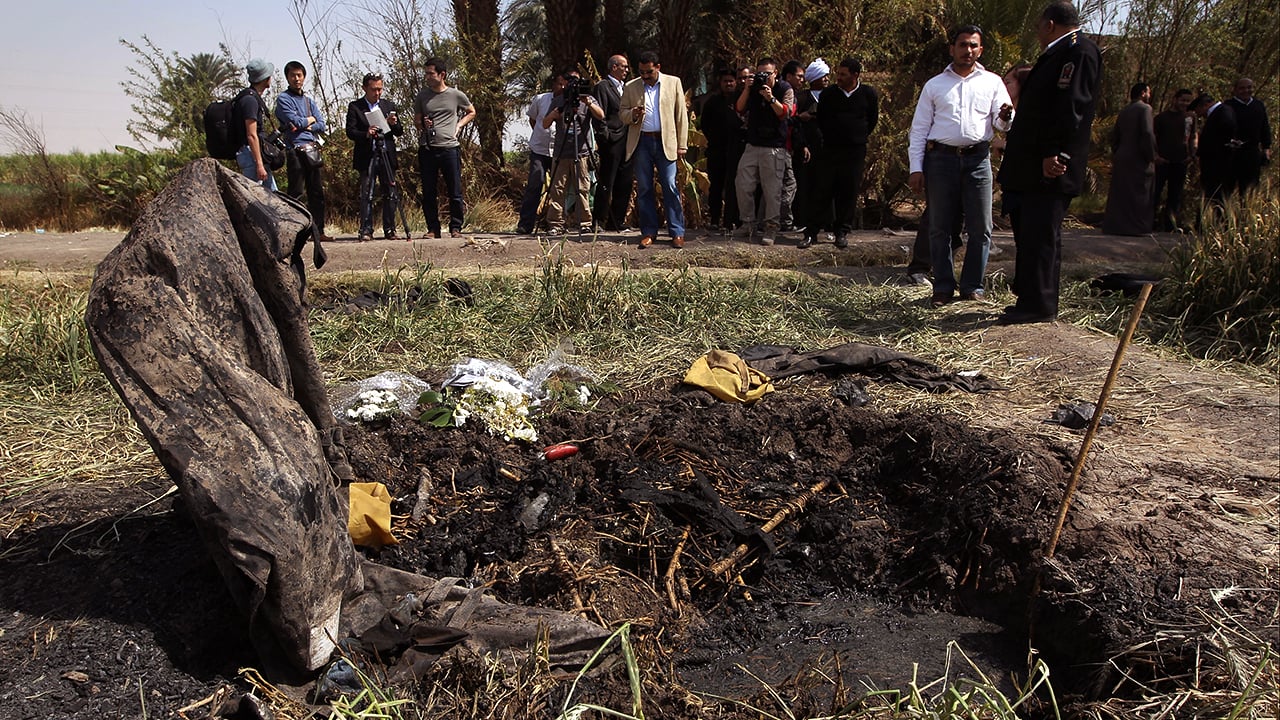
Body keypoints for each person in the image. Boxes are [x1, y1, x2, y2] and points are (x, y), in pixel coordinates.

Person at [996, 1, 1101, 325]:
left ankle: (1041, 304)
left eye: (1039, 27)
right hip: (1030, 167)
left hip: (1050, 166)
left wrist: (1056, 153)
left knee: (1042, 234)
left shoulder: (1078, 52)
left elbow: (1071, 108)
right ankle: (1028, 298)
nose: (1037, 34)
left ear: (1050, 25)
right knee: (1028, 232)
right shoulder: (1056, 54)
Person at [907, 26, 1012, 306]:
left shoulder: (992, 82)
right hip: (941, 161)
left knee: (981, 227)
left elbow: (1002, 123)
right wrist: (916, 168)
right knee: (940, 227)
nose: (968, 50)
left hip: (978, 160)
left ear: (981, 50)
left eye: (973, 45)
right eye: (963, 45)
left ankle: (972, 287)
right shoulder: (935, 85)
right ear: (952, 48)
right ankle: (942, 287)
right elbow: (918, 130)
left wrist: (1005, 117)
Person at [807, 57, 879, 250]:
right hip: (830, 149)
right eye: (837, 73)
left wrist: (857, 135)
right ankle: (811, 232)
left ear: (855, 75)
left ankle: (842, 232)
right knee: (822, 189)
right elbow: (821, 119)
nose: (838, 77)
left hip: (854, 151)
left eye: (843, 74)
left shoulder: (868, 94)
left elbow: (872, 120)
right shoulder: (829, 94)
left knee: (848, 191)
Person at [621, 51, 689, 249]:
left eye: (648, 71)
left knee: (669, 185)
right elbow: (622, 114)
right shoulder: (631, 86)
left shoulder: (673, 82)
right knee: (644, 188)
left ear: (658, 67)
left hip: (666, 142)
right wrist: (632, 114)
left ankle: (677, 232)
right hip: (641, 142)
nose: (645, 76)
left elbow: (680, 115)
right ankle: (649, 232)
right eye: (641, 72)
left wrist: (682, 145)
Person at [733, 57, 795, 246]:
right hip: (752, 145)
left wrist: (770, 98)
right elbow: (739, 108)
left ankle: (771, 227)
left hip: (774, 147)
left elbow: (786, 113)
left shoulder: (785, 89)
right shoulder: (752, 89)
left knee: (772, 191)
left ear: (775, 73)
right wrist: (747, 88)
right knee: (742, 184)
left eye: (767, 73)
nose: (764, 77)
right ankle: (748, 223)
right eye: (760, 73)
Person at [413, 57, 476, 239]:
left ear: (442, 75)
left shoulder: (456, 95)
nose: (427, 77)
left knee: (454, 191)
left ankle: (456, 227)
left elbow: (471, 111)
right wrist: (422, 123)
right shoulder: (422, 96)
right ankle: (433, 229)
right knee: (428, 192)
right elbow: (416, 121)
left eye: (431, 73)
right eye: (425, 73)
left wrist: (460, 124)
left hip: (449, 148)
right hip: (428, 148)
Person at [543, 70, 606, 235]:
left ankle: (585, 223)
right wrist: (554, 113)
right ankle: (556, 224)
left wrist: (589, 103)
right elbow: (544, 124)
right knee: (558, 189)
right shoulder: (558, 100)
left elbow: (601, 115)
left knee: (583, 188)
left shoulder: (587, 99)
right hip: (561, 152)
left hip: (582, 152)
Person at [345, 72, 405, 241]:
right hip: (367, 155)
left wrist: (393, 124)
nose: (377, 93)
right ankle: (366, 229)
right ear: (365, 88)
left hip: (386, 153)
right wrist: (366, 133)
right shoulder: (355, 107)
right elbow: (350, 131)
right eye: (373, 89)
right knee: (367, 193)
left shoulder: (388, 105)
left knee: (390, 192)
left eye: (380, 89)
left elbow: (399, 131)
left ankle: (390, 229)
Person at [275, 61, 329, 240]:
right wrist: (309, 120)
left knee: (317, 192)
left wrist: (307, 123)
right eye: (292, 75)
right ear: (287, 78)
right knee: (296, 193)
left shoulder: (308, 101)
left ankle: (318, 231)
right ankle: (296, 234)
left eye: (299, 75)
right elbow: (294, 122)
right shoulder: (283, 99)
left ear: (304, 77)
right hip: (294, 151)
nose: (296, 79)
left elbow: (321, 124)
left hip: (311, 150)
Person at [1102, 83, 1156, 236]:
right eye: (1148, 92)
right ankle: (1138, 227)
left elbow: (1115, 136)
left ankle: (1117, 226)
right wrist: (1151, 155)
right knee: (1140, 193)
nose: (1149, 96)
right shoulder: (1145, 109)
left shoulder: (1124, 111)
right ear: (1143, 93)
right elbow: (1147, 133)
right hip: (1138, 158)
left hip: (1122, 156)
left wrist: (1117, 152)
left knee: (1121, 193)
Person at [700, 66, 747, 232]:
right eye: (725, 81)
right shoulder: (712, 102)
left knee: (735, 186)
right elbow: (704, 124)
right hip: (716, 150)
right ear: (720, 83)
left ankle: (734, 220)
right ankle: (714, 218)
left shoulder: (741, 100)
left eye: (731, 81)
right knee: (716, 186)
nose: (729, 84)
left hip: (736, 149)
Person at [591, 55, 634, 231]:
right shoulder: (603, 87)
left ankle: (617, 220)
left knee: (625, 181)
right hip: (612, 141)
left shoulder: (627, 88)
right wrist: (605, 138)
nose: (626, 70)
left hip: (628, 139)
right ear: (614, 67)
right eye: (623, 67)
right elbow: (599, 114)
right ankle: (598, 220)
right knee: (607, 180)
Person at [794, 58, 829, 247]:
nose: (825, 79)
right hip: (808, 150)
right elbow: (796, 125)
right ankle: (807, 226)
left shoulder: (831, 96)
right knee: (808, 187)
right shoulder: (802, 98)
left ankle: (829, 225)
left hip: (828, 149)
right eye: (822, 76)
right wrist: (803, 145)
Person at [516, 76, 557, 235]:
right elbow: (533, 119)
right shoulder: (541, 99)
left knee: (559, 189)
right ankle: (526, 224)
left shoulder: (570, 103)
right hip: (539, 149)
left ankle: (556, 224)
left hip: (559, 151)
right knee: (535, 183)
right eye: (559, 83)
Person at [1151, 88, 1195, 232]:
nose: (1185, 103)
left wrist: (1191, 155)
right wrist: (1156, 156)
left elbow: (1192, 137)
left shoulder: (1189, 118)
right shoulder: (1162, 118)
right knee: (1155, 193)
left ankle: (1171, 226)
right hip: (1163, 162)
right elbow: (1151, 139)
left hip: (1180, 162)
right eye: (1183, 100)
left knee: (1175, 195)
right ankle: (1149, 222)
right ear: (1175, 99)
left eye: (1188, 101)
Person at [234, 58, 277, 190]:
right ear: (265, 79)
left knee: (273, 198)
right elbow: (251, 135)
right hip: (251, 156)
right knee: (255, 200)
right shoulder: (250, 101)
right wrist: (259, 164)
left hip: (252, 155)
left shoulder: (250, 97)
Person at [1191, 92, 1239, 206]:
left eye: (1197, 110)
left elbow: (1226, 135)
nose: (1198, 114)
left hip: (1218, 165)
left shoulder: (1224, 112)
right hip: (1213, 165)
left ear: (1205, 105)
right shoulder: (1219, 113)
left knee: (1217, 197)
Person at [1225, 78, 1271, 195]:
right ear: (1235, 90)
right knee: (1226, 189)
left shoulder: (1258, 105)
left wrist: (1266, 148)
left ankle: (1246, 213)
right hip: (1231, 154)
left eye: (1249, 87)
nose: (1246, 90)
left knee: (1250, 190)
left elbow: (1264, 127)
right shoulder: (1228, 106)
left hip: (1252, 153)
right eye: (1242, 88)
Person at [778, 60, 804, 231]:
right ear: (788, 76)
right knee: (789, 184)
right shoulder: (784, 92)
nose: (802, 80)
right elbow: (785, 118)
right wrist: (800, 118)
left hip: (787, 146)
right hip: (781, 145)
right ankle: (784, 221)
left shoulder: (792, 93)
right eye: (799, 76)